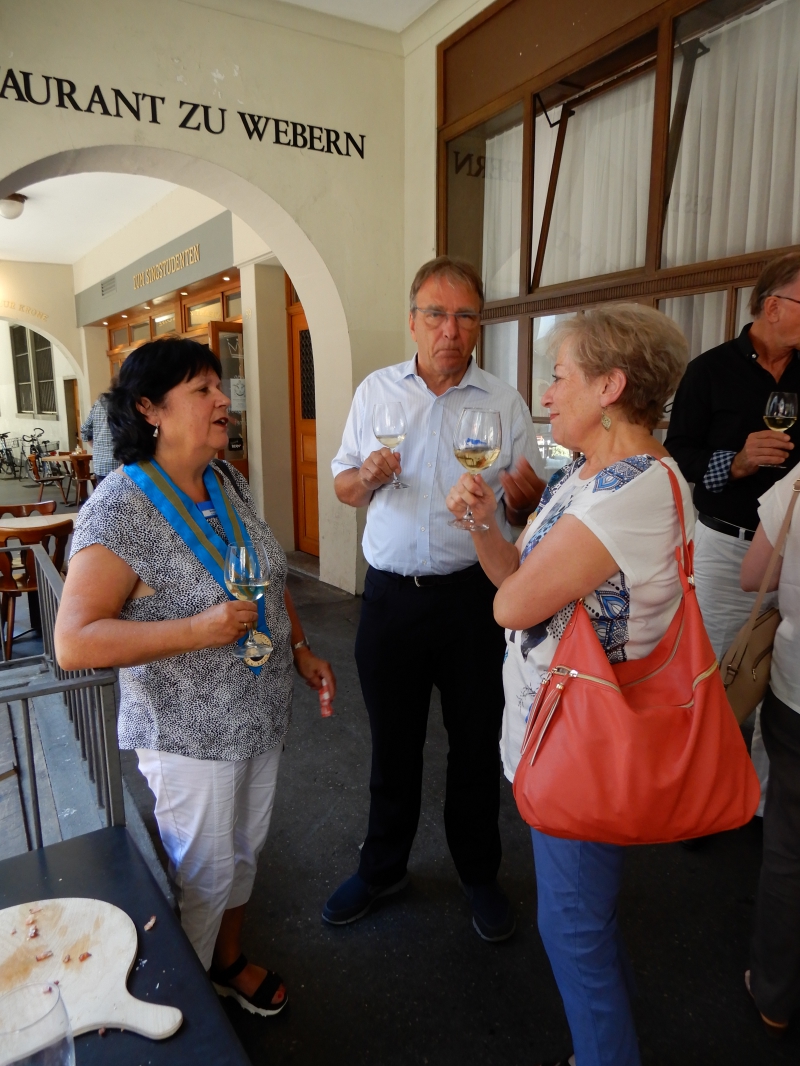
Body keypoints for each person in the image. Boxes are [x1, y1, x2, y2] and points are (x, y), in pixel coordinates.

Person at [55, 338, 335, 1018]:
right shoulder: (119, 508)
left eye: (219, 385)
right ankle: (185, 1013)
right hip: (188, 733)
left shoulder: (224, 479)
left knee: (242, 855)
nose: (222, 401)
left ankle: (225, 963)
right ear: (149, 408)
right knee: (203, 874)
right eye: (202, 389)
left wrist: (299, 645)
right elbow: (73, 641)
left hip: (258, 713)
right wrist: (195, 630)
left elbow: (263, 572)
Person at [447, 304, 690, 1066]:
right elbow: (514, 575)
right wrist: (483, 523)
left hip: (585, 743)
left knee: (574, 930)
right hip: (552, 731)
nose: (546, 395)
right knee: (582, 920)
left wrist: (508, 574)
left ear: (610, 387)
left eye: (559, 377)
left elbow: (510, 606)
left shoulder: (637, 489)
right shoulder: (578, 476)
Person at [324, 256, 546, 940]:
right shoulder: (376, 392)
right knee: (393, 744)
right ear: (413, 321)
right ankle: (382, 867)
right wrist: (367, 476)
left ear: (478, 324)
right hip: (390, 600)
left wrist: (522, 498)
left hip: (473, 601)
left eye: (465, 315)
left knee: (475, 744)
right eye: (436, 314)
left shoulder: (502, 402)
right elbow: (344, 486)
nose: (451, 329)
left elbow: (528, 502)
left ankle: (478, 872)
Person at [665, 253, 800, 808]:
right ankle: (702, 798)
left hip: (792, 553)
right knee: (717, 677)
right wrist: (736, 462)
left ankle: (764, 806)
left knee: (783, 682)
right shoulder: (710, 370)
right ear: (774, 306)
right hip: (726, 546)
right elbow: (677, 455)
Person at [741, 467, 800, 1039]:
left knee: (788, 848)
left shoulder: (798, 483)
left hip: (798, 694)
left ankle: (775, 995)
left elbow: (753, 575)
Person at [80, 394, 116, 483]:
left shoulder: (99, 403)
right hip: (122, 465)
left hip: (101, 465)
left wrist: (97, 447)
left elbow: (84, 430)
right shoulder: (127, 404)